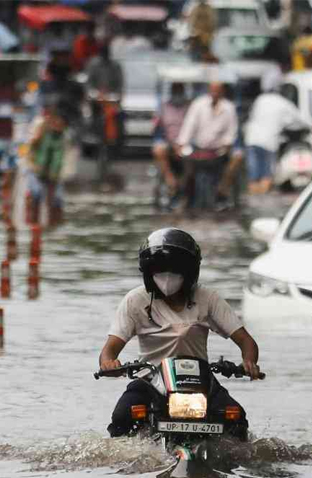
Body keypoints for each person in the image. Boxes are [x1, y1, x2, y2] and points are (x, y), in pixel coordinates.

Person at [98, 228, 261, 439]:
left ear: (189, 273)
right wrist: (109, 364)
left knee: (236, 418)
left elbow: (246, 341)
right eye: (159, 272)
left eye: (174, 272)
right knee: (123, 415)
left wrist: (249, 362)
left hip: (201, 381)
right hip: (151, 379)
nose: (167, 279)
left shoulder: (207, 298)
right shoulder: (135, 300)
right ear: (148, 273)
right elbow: (109, 350)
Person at [176, 81, 238, 210]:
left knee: (235, 160)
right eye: (213, 90)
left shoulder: (229, 107)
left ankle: (221, 193)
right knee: (187, 167)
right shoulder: (199, 104)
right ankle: (184, 195)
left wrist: (226, 145)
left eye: (218, 90)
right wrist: (182, 143)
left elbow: (231, 132)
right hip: (198, 149)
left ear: (222, 91)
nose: (215, 93)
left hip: (219, 151)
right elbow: (189, 125)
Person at [244, 76, 307, 194]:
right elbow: (300, 119)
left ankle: (254, 201)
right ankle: (261, 200)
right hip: (269, 142)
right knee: (266, 174)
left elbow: (252, 115)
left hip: (252, 140)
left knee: (253, 175)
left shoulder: (260, 99)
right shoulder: (283, 103)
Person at [26, 102, 69, 225]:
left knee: (57, 200)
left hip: (53, 174)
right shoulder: (40, 127)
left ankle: (54, 225)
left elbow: (60, 158)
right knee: (36, 194)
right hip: (37, 170)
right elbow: (32, 146)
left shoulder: (62, 136)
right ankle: (34, 225)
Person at [152, 82, 191, 197]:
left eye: (180, 91)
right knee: (158, 150)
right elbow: (157, 128)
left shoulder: (190, 107)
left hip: (186, 144)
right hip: (169, 142)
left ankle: (183, 185)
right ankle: (171, 182)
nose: (177, 94)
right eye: (175, 91)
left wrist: (182, 143)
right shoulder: (164, 107)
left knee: (193, 157)